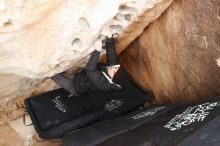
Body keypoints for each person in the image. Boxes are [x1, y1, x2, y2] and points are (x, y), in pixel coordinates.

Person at [51, 34, 130, 95]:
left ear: (112, 80)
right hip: (82, 75)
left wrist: (97, 51)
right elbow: (111, 50)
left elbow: (90, 69)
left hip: (76, 86)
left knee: (52, 73)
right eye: (116, 69)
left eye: (113, 72)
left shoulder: (104, 85)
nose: (112, 68)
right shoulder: (114, 68)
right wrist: (109, 37)